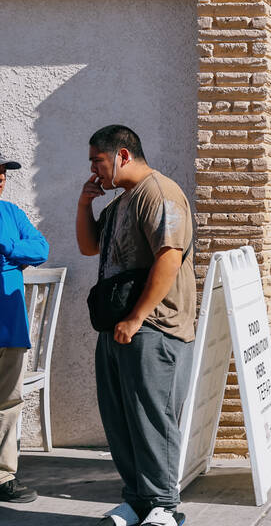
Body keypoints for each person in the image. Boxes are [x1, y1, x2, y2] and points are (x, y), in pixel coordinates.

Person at [76, 126, 196, 526]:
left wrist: (136, 316)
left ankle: (164, 504)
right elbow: (89, 246)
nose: (94, 168)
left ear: (122, 155)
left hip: (153, 327)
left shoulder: (159, 193)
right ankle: (137, 500)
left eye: (98, 160)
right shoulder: (122, 201)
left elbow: (169, 257)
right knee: (121, 418)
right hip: (117, 327)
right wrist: (84, 205)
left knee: (151, 417)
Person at [0, 155, 49, 504]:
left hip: (10, 325)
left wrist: (9, 250)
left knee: (8, 402)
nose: (1, 179)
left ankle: (3, 477)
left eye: (2, 174)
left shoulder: (11, 213)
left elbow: (41, 248)